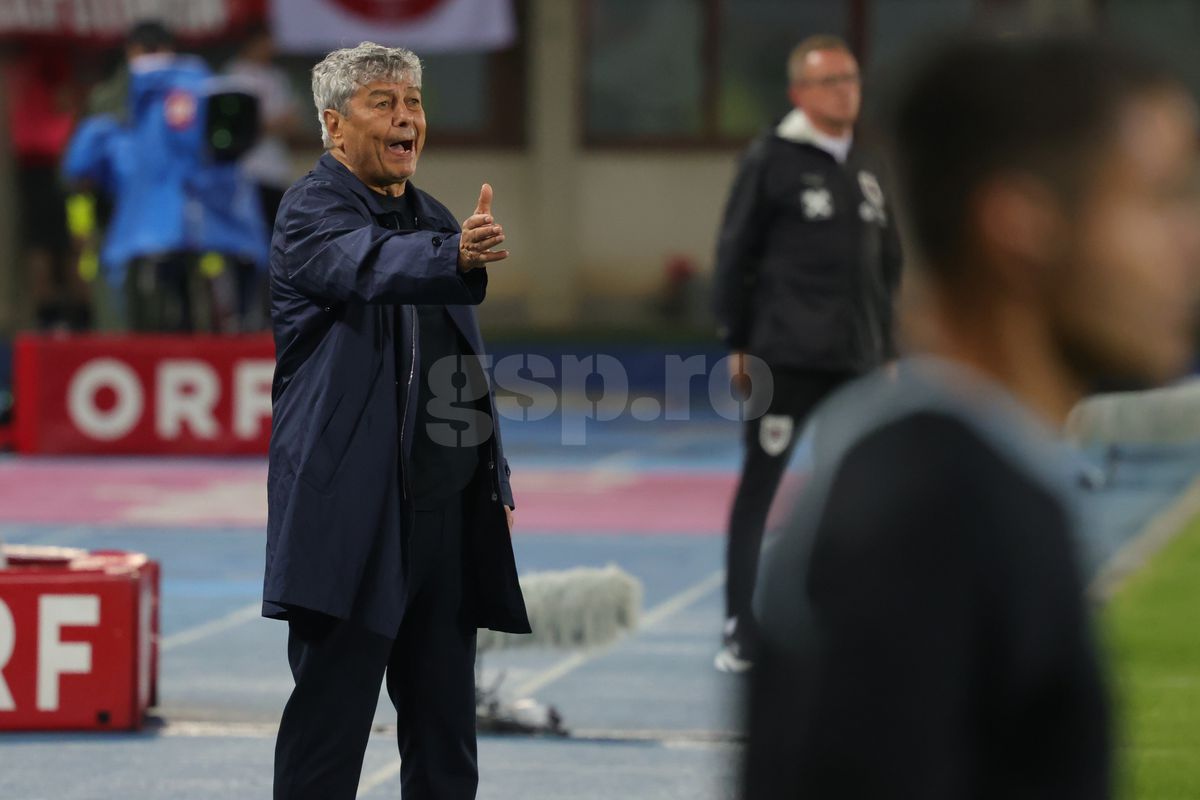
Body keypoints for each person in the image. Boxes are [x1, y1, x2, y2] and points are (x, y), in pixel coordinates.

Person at [743, 35, 1200, 799]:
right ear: (1021, 225)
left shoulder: (971, 475)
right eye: (1160, 200)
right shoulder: (934, 515)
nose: (1189, 245)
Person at [265, 42, 529, 800]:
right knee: (329, 731)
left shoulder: (435, 216)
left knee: (446, 735)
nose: (406, 117)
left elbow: (461, 368)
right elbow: (368, 264)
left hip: (444, 516)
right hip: (352, 513)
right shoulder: (311, 211)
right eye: (383, 102)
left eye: (413, 102)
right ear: (333, 125)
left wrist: (494, 482)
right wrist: (453, 255)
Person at [711, 34, 902, 671]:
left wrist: (890, 347)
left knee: (863, 496)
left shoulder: (868, 167)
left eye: (851, 77)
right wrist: (737, 343)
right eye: (830, 80)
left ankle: (852, 627)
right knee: (761, 492)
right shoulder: (771, 159)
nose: (846, 88)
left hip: (860, 360)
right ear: (800, 93)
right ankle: (741, 625)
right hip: (783, 358)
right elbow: (734, 253)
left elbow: (889, 265)